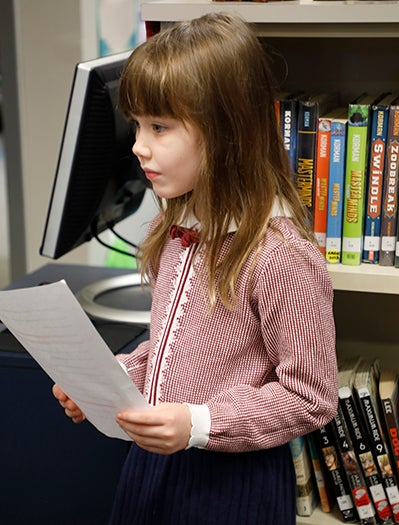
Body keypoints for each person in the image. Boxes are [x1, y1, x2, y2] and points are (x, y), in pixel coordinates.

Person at [53, 12, 338, 525]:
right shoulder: (177, 231)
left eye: (159, 127)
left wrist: (200, 424)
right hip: (151, 468)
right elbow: (174, 348)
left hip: (230, 484)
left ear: (226, 131)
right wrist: (111, 377)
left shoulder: (280, 256)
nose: (138, 145)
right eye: (137, 125)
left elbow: (309, 397)